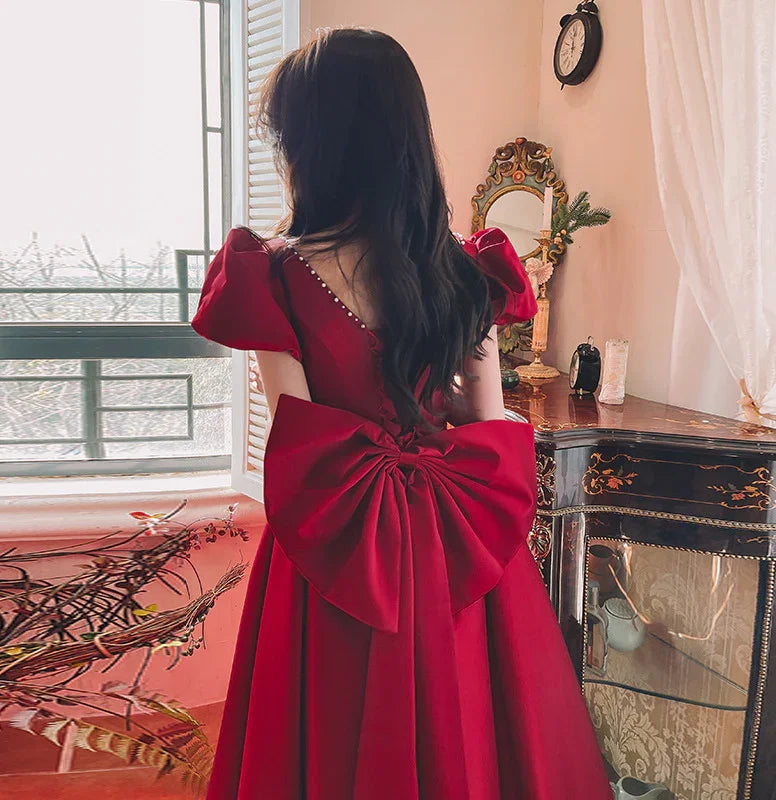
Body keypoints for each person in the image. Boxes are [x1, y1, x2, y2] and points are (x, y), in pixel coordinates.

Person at [191, 27, 611, 800]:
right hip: (456, 544)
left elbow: (301, 444)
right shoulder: (464, 266)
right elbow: (487, 424)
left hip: (338, 553)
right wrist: (433, 411)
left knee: (325, 736)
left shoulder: (273, 274)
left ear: (312, 144)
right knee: (481, 731)